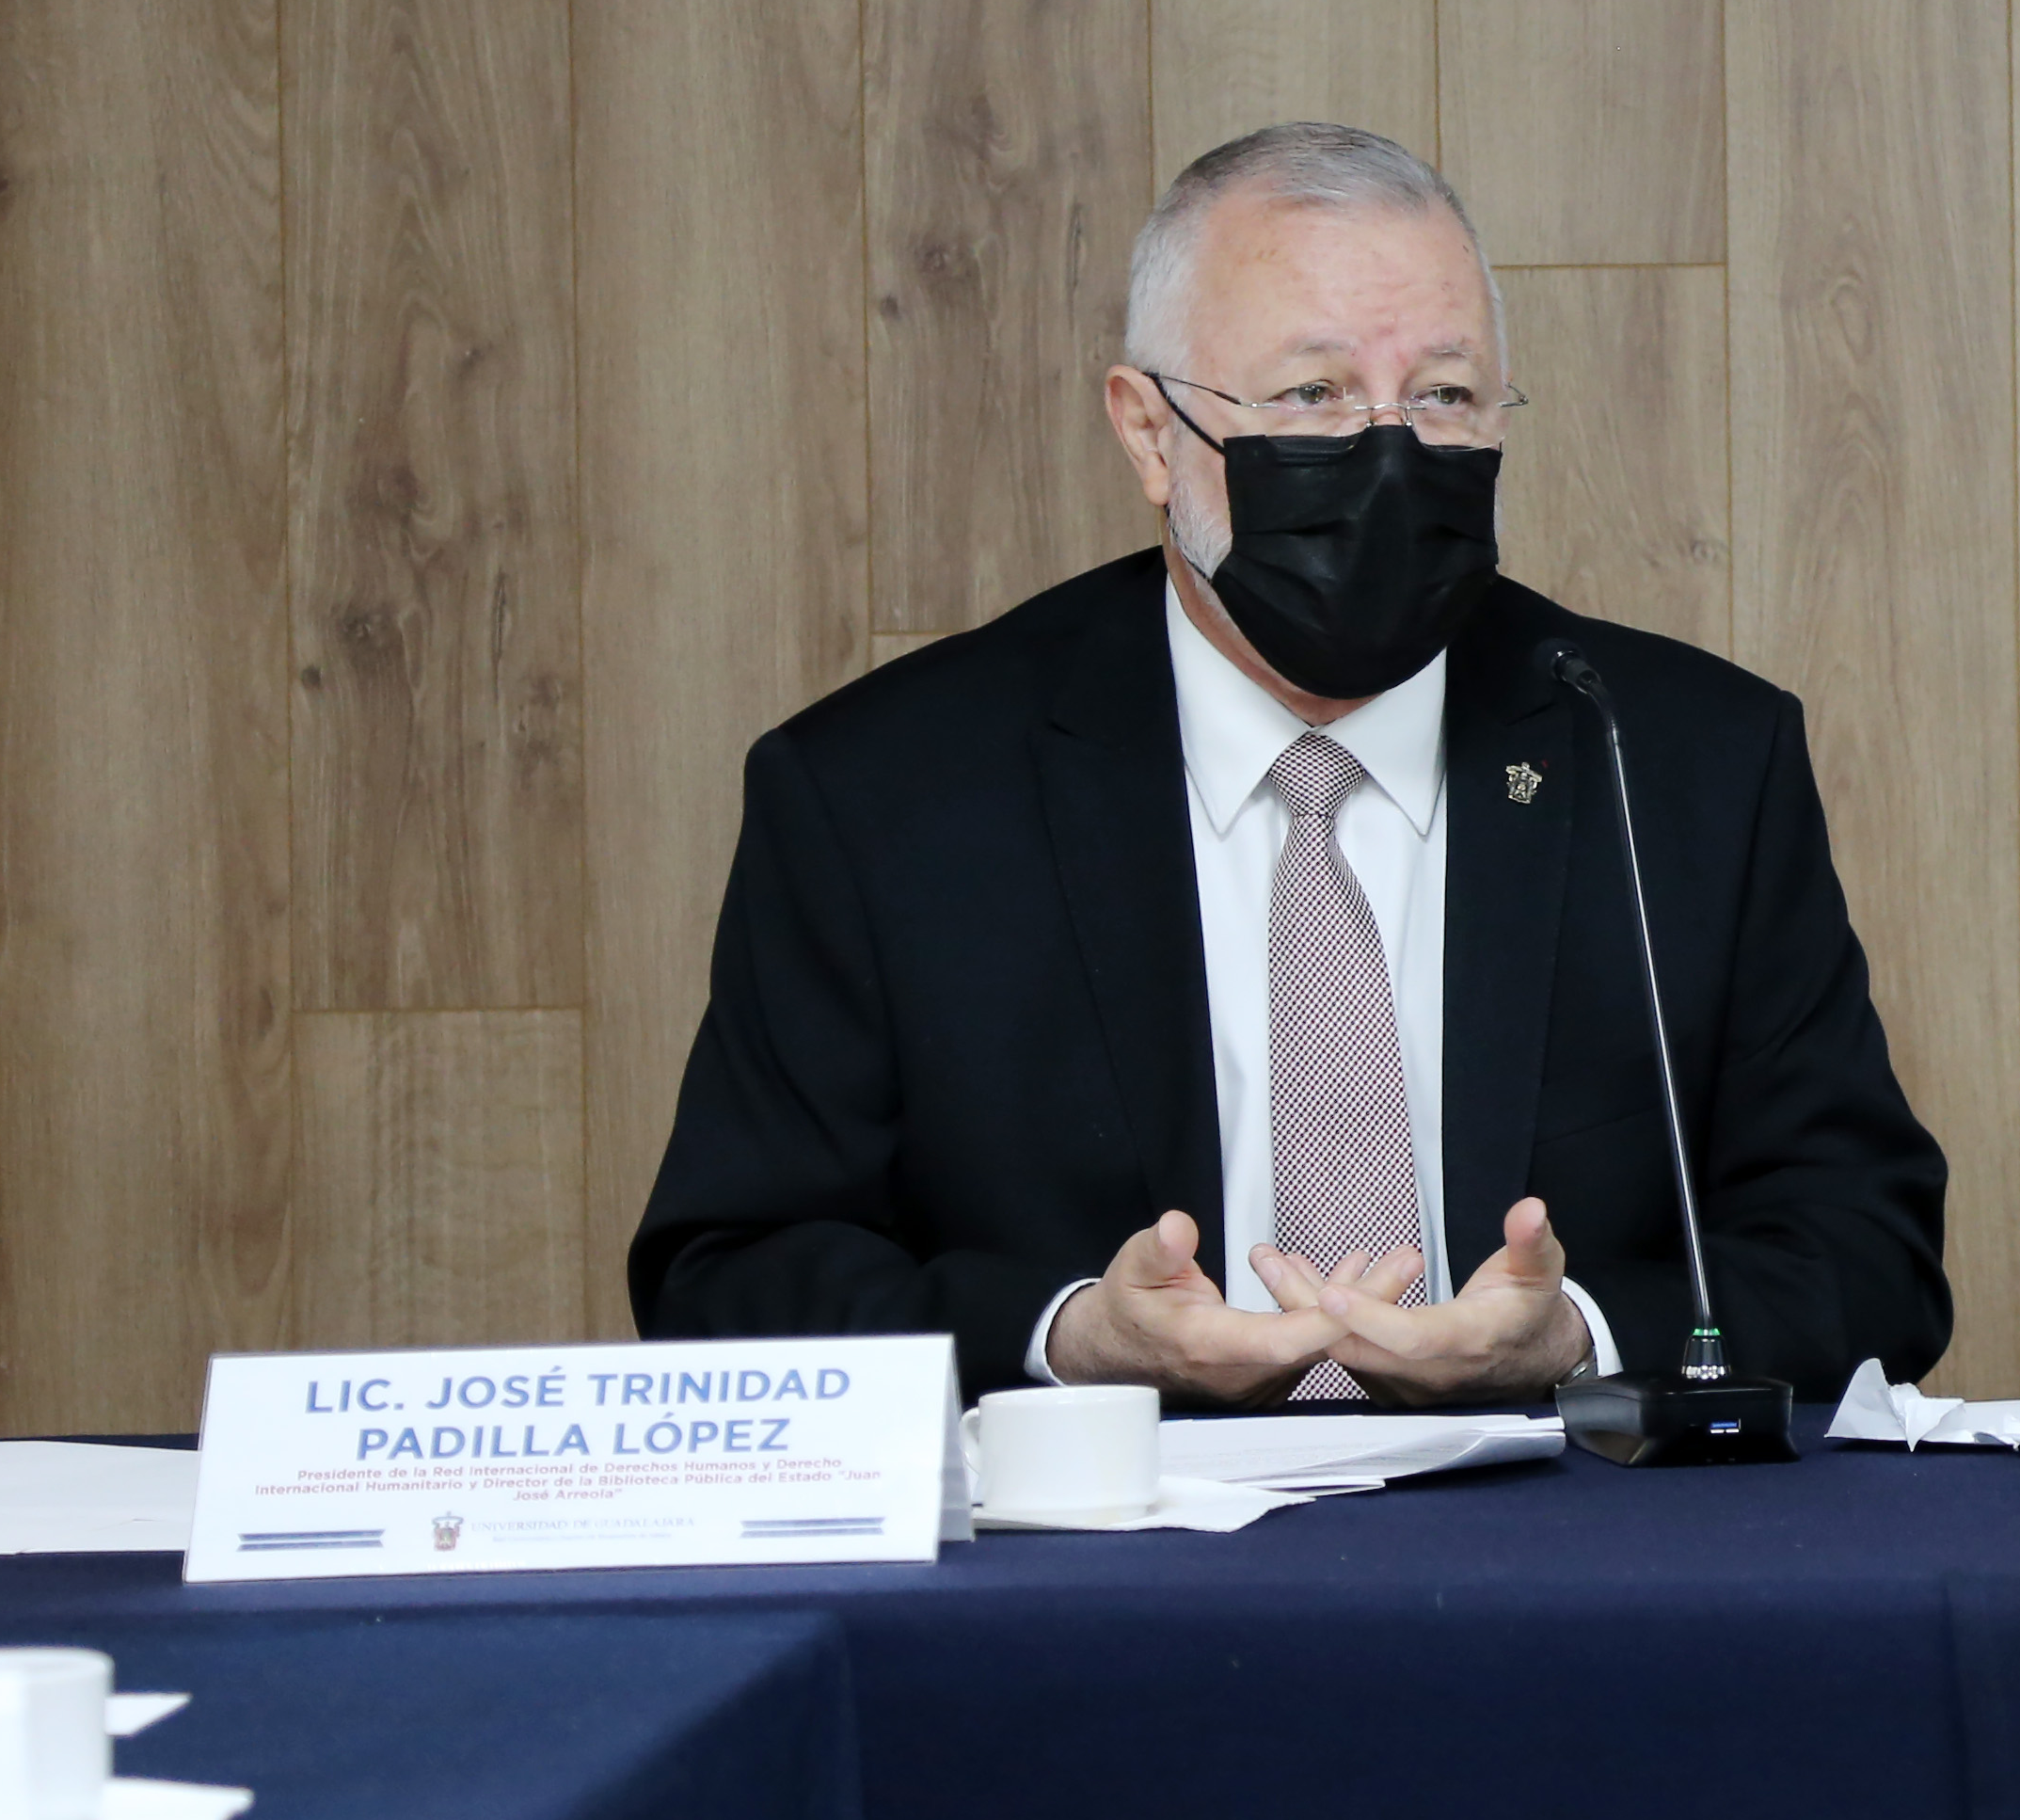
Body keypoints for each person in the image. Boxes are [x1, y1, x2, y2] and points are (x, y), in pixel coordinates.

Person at [631, 123, 1951, 1404]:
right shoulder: (885, 794)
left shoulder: (1678, 760)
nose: (1388, 454)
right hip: (1108, 1538)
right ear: (1150, 433)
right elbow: (729, 1273)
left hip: (1560, 1524)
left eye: (1443, 397)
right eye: (1313, 395)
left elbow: (1867, 1249)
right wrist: (1071, 1338)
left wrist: (1576, 1337)